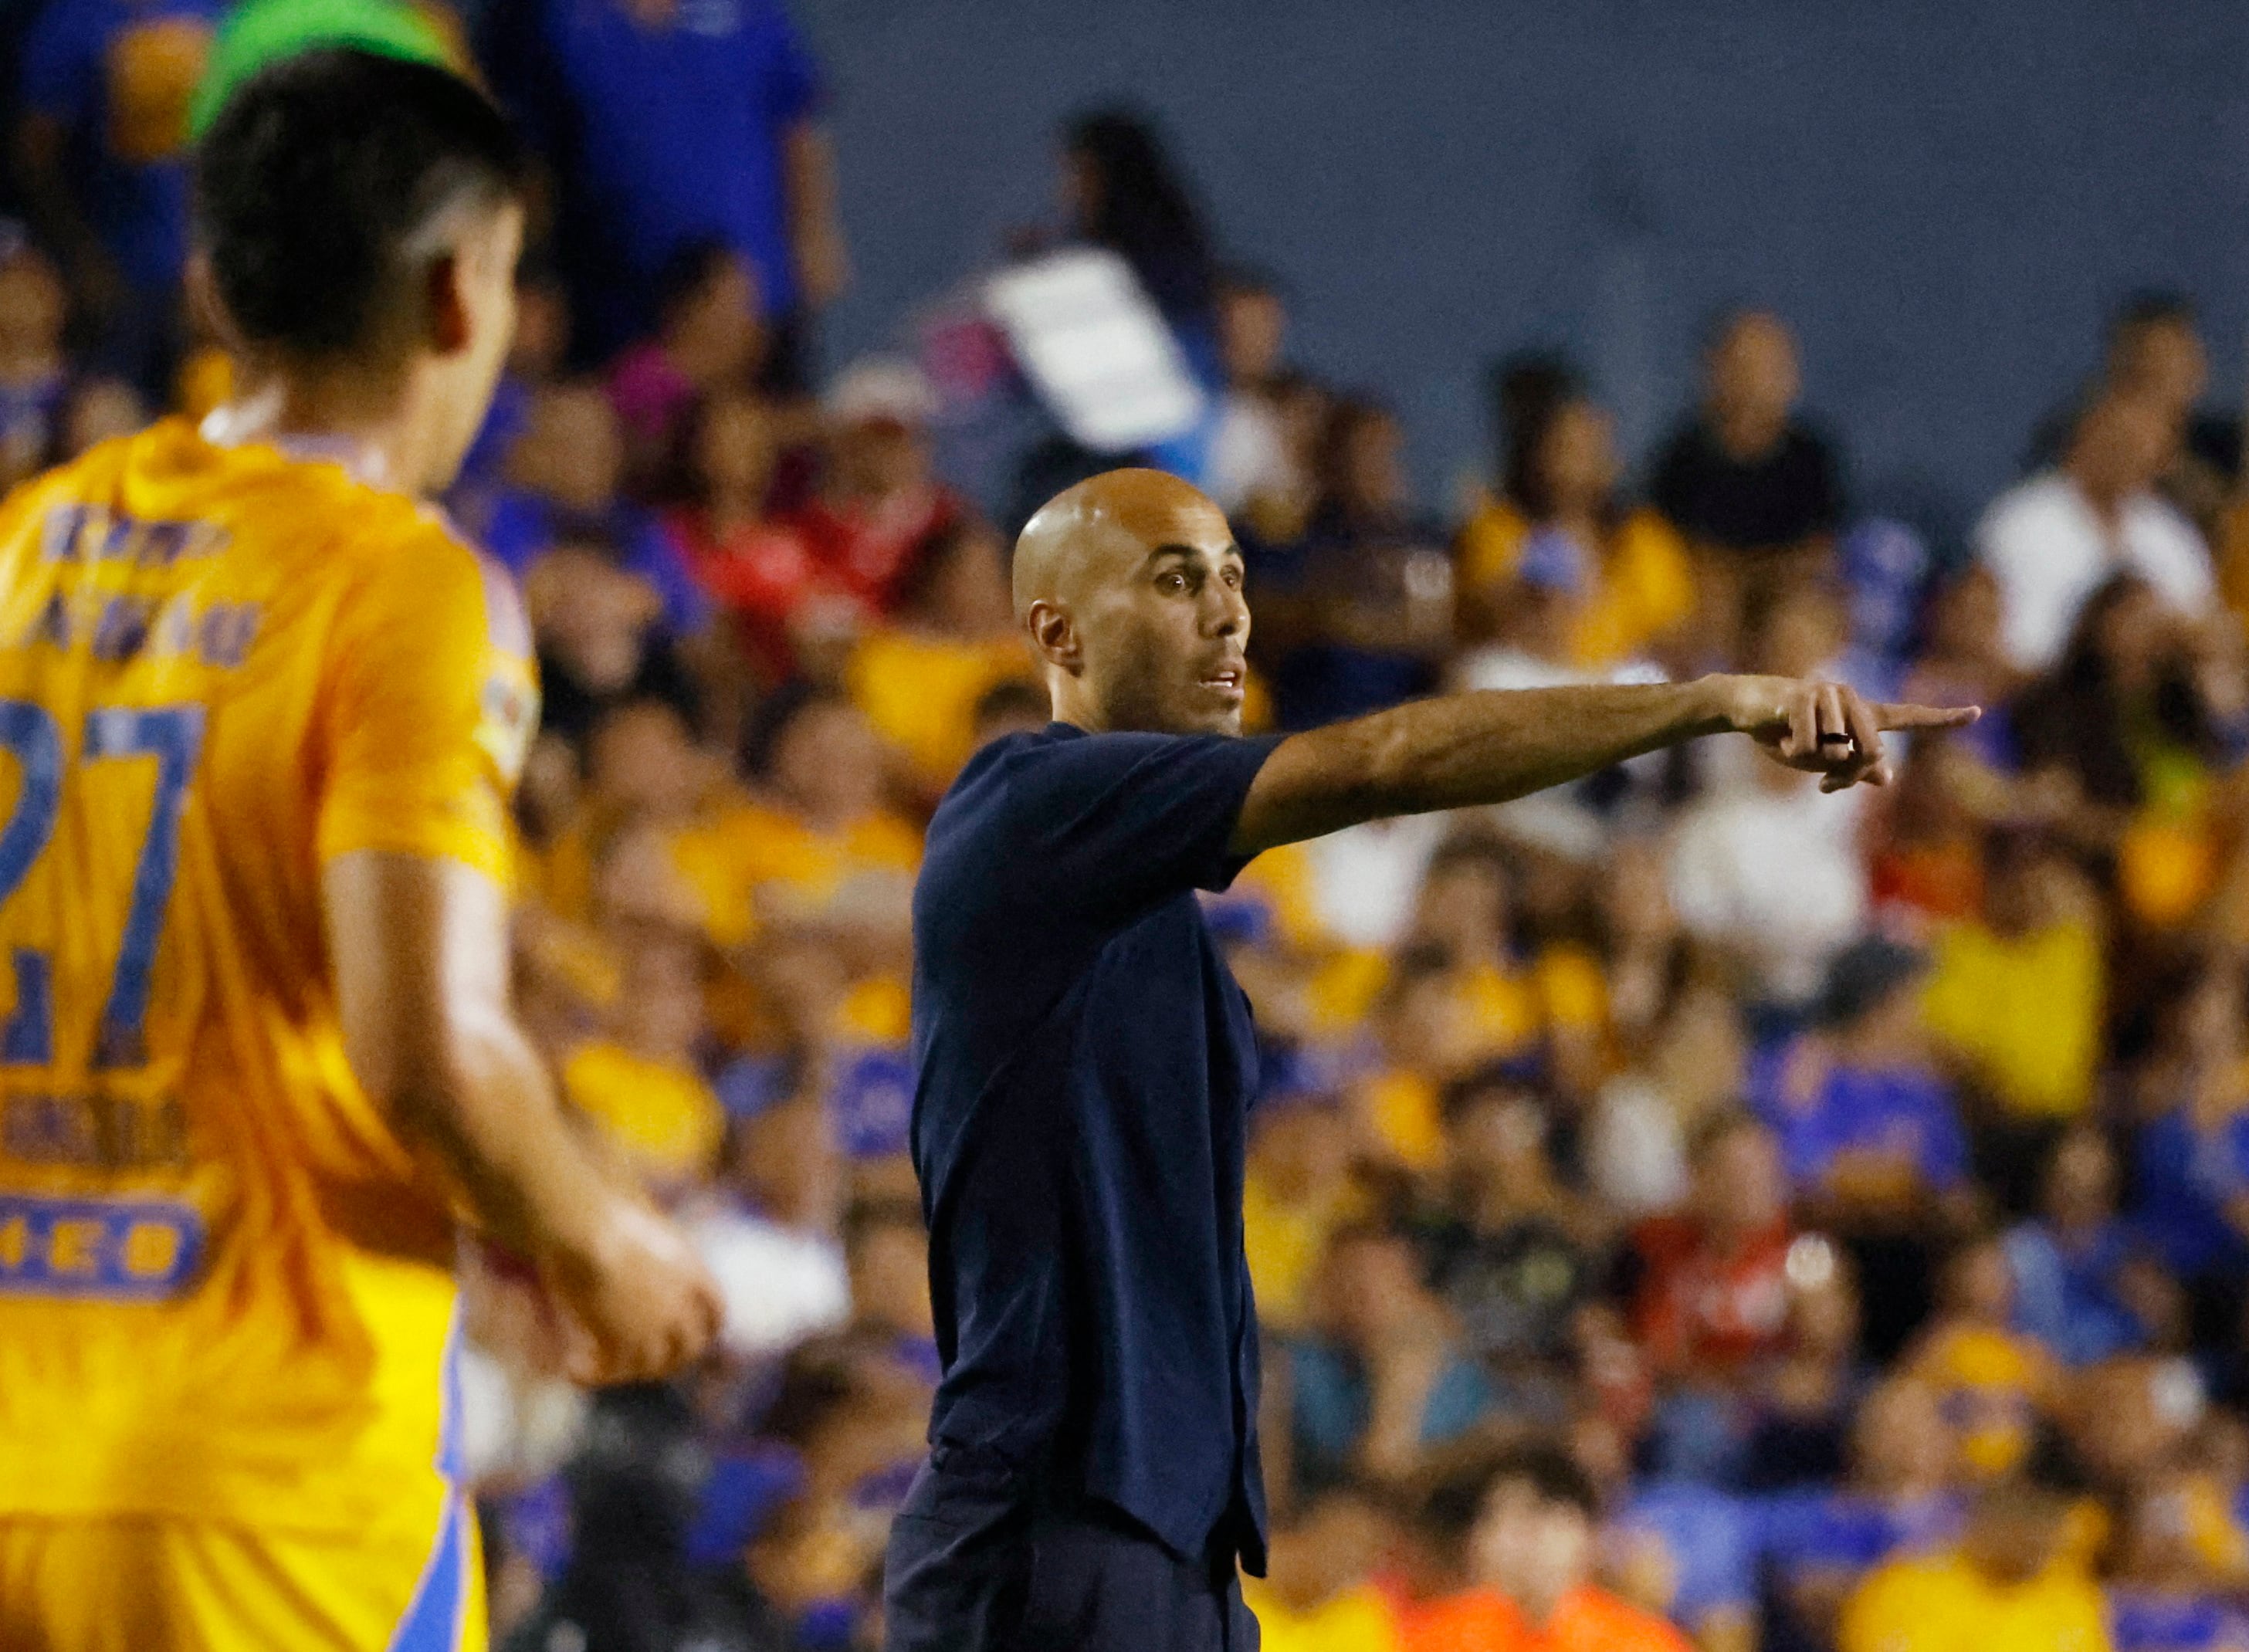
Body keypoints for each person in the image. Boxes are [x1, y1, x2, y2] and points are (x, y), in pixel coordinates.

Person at [883, 463, 1973, 1651]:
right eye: (1176, 581)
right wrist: (1705, 703)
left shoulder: (1139, 901)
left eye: (1237, 582)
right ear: (1057, 628)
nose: (1228, 616)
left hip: (1158, 1534)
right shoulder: (1029, 803)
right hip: (1055, 1524)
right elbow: (1386, 757)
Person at [0, 50, 721, 1650]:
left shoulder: (31, 537)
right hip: (265, 1474)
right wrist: (592, 1233)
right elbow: (430, 1050)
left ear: (212, 282)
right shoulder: (406, 587)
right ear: (464, 297)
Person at [483, 0, 845, 372]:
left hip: (760, 304)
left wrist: (813, 234)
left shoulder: (752, 11)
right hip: (613, 310)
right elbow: (522, 156)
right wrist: (524, 274)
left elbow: (795, 119)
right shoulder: (541, 17)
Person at [1975, 388, 2216, 674]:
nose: (2130, 458)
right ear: (2085, 437)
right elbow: (1977, 631)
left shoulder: (2170, 535)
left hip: (2145, 701)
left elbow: (2204, 627)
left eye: (2145, 450)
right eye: (2120, 443)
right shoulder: (2021, 520)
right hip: (2034, 697)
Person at [1836, 1464, 2112, 1652]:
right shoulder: (1902, 1587)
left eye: (2047, 1516)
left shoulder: (2075, 1598)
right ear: (1982, 1517)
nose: (2035, 1532)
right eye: (2021, 1512)